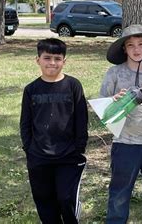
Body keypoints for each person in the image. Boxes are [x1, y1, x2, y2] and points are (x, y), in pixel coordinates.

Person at [101, 25, 142, 223]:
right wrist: (114, 100)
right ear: (124, 49)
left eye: (141, 44)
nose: (136, 49)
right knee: (120, 192)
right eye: (130, 45)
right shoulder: (114, 73)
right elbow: (103, 107)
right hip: (125, 143)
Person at [20, 38, 88, 224]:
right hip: (39, 157)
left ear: (64, 61)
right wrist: (29, 148)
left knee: (66, 199)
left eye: (57, 58)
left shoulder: (73, 86)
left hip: (68, 156)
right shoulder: (31, 90)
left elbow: (81, 119)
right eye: (47, 58)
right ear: (38, 60)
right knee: (44, 200)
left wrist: (78, 147)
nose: (52, 63)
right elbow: (25, 123)